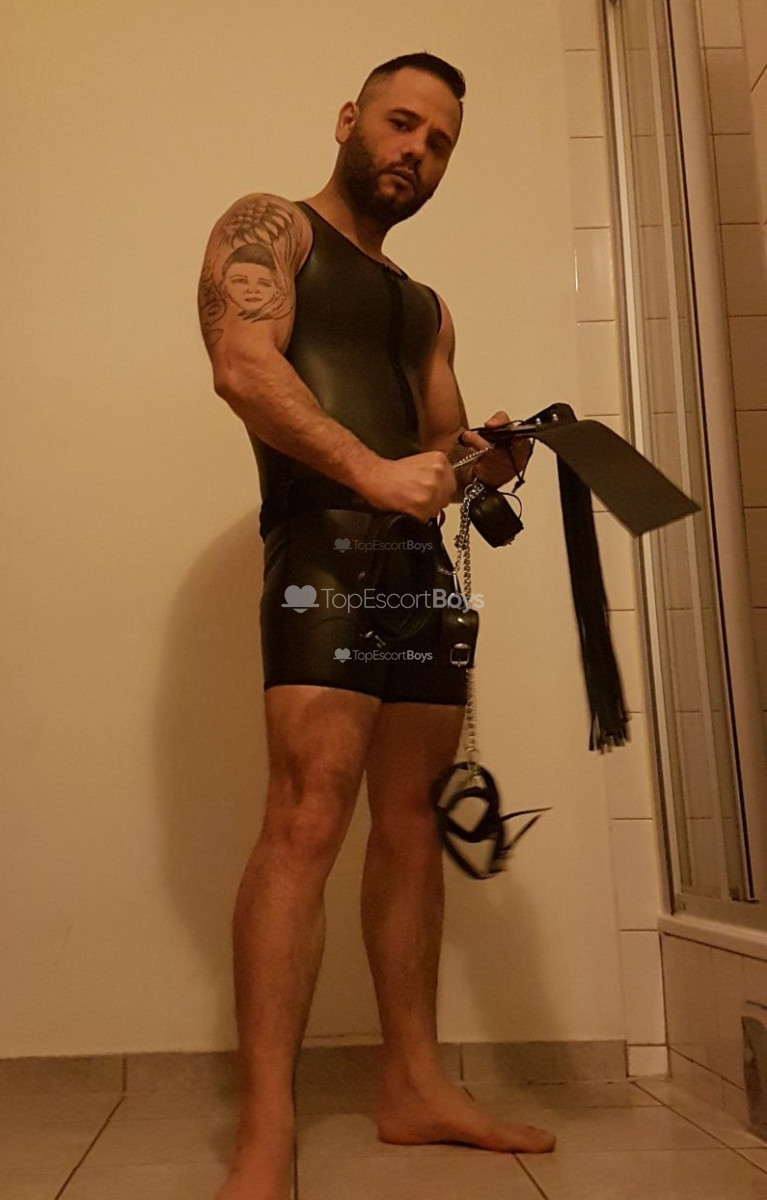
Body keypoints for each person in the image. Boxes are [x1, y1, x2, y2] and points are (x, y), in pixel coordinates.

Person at [198, 51, 555, 1200]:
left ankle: (412, 1085)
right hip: (323, 548)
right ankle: (266, 1128)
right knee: (305, 816)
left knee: (409, 824)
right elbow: (241, 367)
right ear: (351, 118)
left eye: (438, 142)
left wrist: (488, 457)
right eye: (402, 124)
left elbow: (437, 459)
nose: (415, 151)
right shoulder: (270, 227)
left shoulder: (425, 306)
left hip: (419, 574)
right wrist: (369, 471)